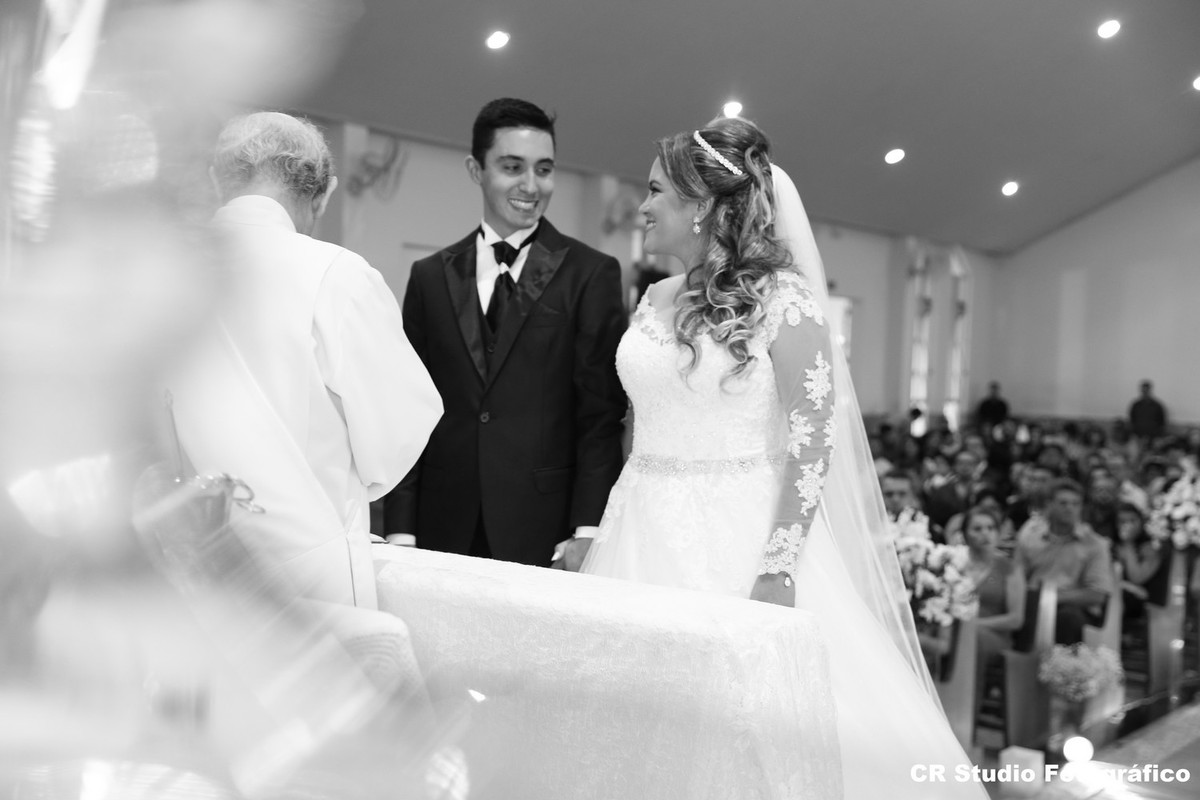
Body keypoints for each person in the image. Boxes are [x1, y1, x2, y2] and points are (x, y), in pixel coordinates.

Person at [579, 117, 983, 799]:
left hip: (741, 536)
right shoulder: (653, 298)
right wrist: (603, 524)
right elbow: (639, 423)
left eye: (655, 191)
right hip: (638, 528)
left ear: (701, 204)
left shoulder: (783, 300)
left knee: (745, 731)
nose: (641, 206)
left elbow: (814, 434)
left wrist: (778, 563)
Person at [170, 112, 442, 607]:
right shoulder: (337, 275)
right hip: (304, 568)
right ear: (323, 192)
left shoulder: (154, 273)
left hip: (175, 565)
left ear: (215, 180)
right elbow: (396, 437)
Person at [382, 98, 627, 568]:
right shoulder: (429, 277)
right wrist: (400, 529)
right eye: (512, 167)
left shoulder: (591, 273)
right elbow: (409, 408)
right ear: (476, 170)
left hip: (544, 527)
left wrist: (587, 529)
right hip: (442, 522)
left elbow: (600, 416)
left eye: (544, 170)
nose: (531, 186)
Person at [1013, 478, 1114, 644]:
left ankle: (1058, 661)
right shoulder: (1030, 536)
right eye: (1063, 503)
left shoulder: (1095, 544)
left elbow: (1097, 595)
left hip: (1073, 607)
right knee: (1019, 606)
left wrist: (1051, 598)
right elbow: (1017, 577)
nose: (1070, 508)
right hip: (1033, 600)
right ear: (1049, 505)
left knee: (1067, 617)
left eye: (1075, 504)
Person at [1129, 379, 1168, 446]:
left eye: (1146, 390)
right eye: (1143, 390)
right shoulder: (1136, 405)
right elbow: (1132, 421)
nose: (1145, 392)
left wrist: (1158, 437)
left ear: (1150, 390)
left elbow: (1162, 423)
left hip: (1154, 438)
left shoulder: (1157, 406)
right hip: (1138, 437)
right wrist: (1135, 435)